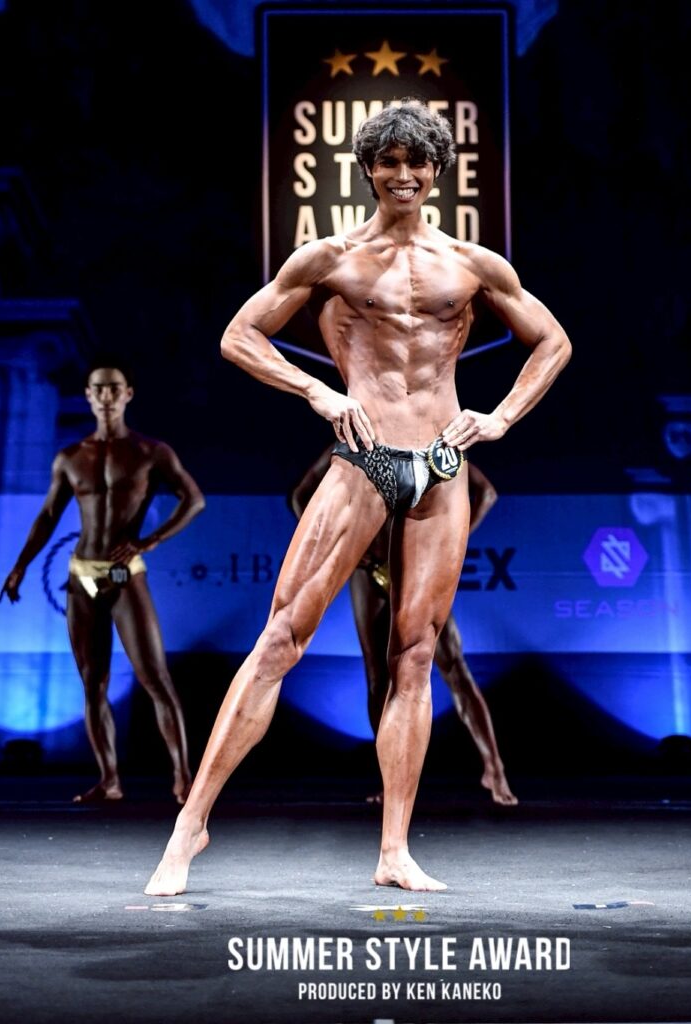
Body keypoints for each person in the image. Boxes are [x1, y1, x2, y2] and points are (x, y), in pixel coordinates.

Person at [146, 99, 570, 896]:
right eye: (390, 161)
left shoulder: (472, 265)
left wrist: (502, 416)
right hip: (365, 459)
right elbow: (239, 335)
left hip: (442, 464)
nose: (404, 175)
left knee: (416, 655)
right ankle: (190, 825)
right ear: (370, 170)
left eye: (418, 162)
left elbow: (553, 340)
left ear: (437, 172)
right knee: (282, 639)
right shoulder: (332, 259)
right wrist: (316, 390)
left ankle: (394, 851)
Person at [0, 362, 205, 804]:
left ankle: (185, 779)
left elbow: (194, 500)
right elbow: (48, 515)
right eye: (98, 389)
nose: (106, 396)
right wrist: (20, 566)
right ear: (89, 396)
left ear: (128, 394)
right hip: (81, 575)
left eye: (114, 388)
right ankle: (109, 780)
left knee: (155, 678)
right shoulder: (70, 457)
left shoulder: (151, 452)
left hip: (123, 574)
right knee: (93, 683)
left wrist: (148, 541)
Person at [290, 446, 517, 805]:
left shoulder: (427, 441)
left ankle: (494, 767)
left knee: (453, 668)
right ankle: (391, 781)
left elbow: (486, 493)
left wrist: (451, 541)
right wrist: (336, 544)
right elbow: (300, 496)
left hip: (416, 568)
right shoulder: (353, 442)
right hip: (370, 569)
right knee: (378, 676)